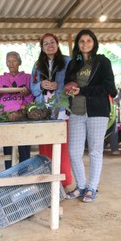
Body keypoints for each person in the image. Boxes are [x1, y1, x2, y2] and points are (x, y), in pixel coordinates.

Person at [65, 29, 117, 202]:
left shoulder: (102, 62)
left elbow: (110, 89)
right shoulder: (73, 63)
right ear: (77, 45)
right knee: (74, 152)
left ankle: (92, 187)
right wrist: (69, 89)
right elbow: (67, 84)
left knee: (95, 151)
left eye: (88, 40)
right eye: (81, 41)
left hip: (97, 112)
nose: (85, 44)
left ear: (94, 43)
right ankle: (81, 186)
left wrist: (83, 90)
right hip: (76, 112)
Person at [30, 33, 72, 187]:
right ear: (42, 47)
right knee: (45, 147)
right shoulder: (37, 65)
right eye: (45, 43)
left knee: (62, 147)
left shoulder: (68, 62)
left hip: (61, 110)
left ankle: (64, 182)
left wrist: (59, 87)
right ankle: (48, 183)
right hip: (43, 111)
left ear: (57, 43)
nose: (49, 45)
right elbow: (32, 88)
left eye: (52, 42)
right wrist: (41, 86)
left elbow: (75, 83)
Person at [0, 51, 34, 169]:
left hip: (23, 117)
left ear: (19, 62)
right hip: (5, 118)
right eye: (9, 61)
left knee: (24, 147)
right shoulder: (0, 79)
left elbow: (33, 101)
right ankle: (9, 173)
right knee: (8, 148)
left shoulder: (27, 78)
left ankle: (25, 173)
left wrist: (27, 94)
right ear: (6, 63)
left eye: (14, 60)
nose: (11, 63)